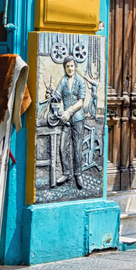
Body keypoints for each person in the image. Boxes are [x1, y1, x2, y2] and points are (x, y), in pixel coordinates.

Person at [53, 56, 88, 189]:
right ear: (65, 68)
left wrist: (68, 112)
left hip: (77, 118)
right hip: (66, 120)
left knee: (77, 147)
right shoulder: (63, 81)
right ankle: (66, 173)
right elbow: (56, 95)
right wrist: (53, 99)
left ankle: (78, 174)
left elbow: (80, 102)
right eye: (67, 66)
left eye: (72, 66)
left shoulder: (80, 81)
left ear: (75, 66)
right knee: (63, 147)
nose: (70, 68)